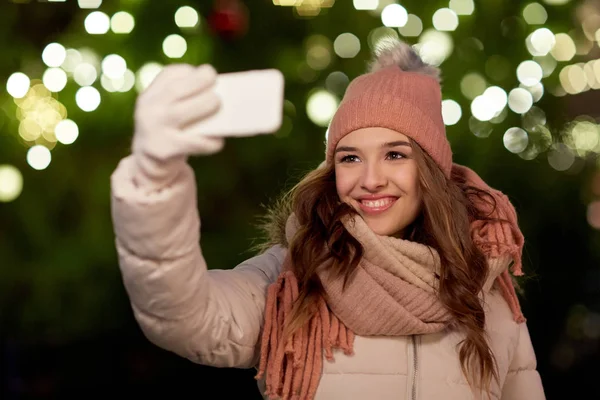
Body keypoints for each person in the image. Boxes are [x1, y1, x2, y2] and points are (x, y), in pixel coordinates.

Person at [110, 38, 546, 400]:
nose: (370, 180)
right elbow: (185, 318)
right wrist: (155, 178)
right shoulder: (294, 275)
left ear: (432, 170)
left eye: (395, 154)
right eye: (350, 158)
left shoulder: (484, 288)